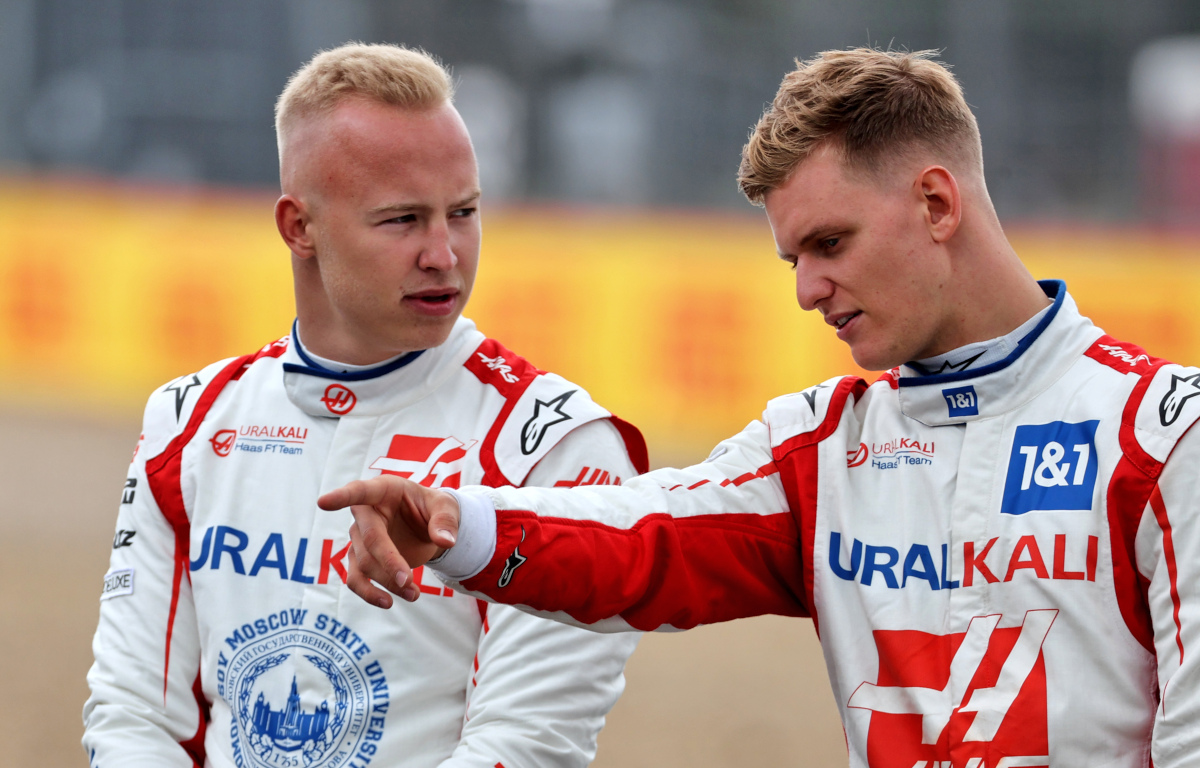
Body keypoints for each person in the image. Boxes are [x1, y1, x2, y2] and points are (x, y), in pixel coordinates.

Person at [323, 48, 1200, 766]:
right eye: (794, 260)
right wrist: (456, 521)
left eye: (830, 243)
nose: (809, 291)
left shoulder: (1164, 437)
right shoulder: (823, 449)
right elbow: (644, 539)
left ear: (936, 203)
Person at [83, 43, 647, 768]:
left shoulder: (558, 448)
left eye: (464, 212)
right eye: (403, 220)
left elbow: (528, 745)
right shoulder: (186, 424)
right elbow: (133, 715)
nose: (445, 253)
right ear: (299, 227)